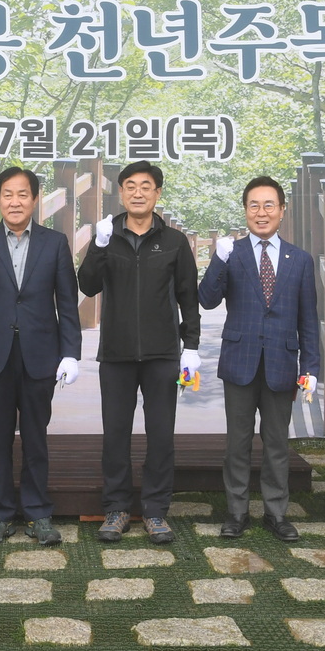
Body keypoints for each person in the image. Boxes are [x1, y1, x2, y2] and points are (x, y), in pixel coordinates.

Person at [0, 167, 81, 546]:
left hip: (40, 352)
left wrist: (70, 353)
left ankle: (38, 512)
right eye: (7, 194)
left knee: (35, 435)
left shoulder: (55, 242)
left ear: (35, 199)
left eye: (22, 194)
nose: (15, 201)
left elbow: (67, 302)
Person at [78, 161, 200, 545]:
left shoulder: (174, 241)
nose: (137, 193)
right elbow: (88, 284)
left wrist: (191, 346)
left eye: (146, 186)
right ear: (121, 192)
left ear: (157, 193)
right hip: (116, 354)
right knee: (115, 435)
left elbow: (189, 297)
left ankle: (155, 510)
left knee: (161, 435)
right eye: (130, 186)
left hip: (162, 353)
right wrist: (98, 247)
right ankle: (116, 508)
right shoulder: (107, 236)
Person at [198, 176, 320, 541]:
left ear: (282, 210)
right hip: (240, 360)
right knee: (237, 443)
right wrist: (218, 259)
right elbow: (207, 299)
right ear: (245, 211)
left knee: (277, 443)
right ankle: (236, 512)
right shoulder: (232, 253)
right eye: (254, 205)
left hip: (282, 361)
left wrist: (310, 367)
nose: (261, 212)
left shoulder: (300, 259)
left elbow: (308, 319)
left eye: (269, 205)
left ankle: (276, 513)